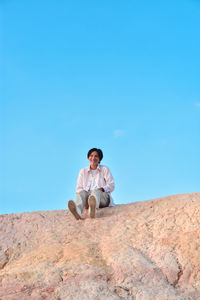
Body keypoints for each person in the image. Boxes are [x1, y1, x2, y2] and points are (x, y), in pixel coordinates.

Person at [68, 148, 115, 220]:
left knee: (95, 191)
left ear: (99, 159)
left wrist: (102, 189)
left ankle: (92, 211)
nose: (93, 158)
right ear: (88, 158)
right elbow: (78, 188)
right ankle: (78, 211)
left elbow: (111, 185)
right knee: (81, 192)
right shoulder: (82, 171)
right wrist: (85, 193)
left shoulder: (104, 169)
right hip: (87, 200)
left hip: (102, 198)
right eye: (91, 155)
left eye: (96, 156)